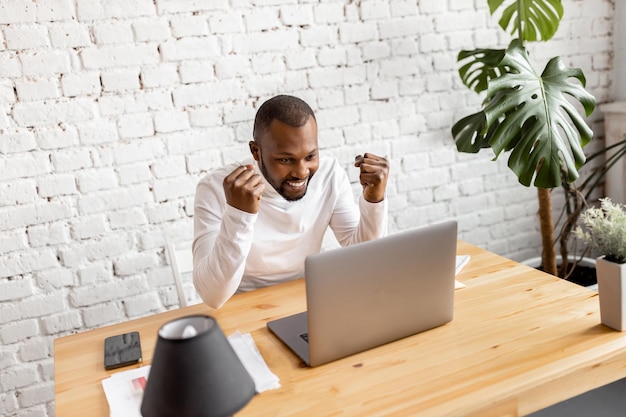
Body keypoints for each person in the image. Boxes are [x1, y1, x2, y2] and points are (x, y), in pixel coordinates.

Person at [192, 95, 390, 309]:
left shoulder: (329, 174)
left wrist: (374, 200)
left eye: (310, 156)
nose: (301, 172)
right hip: (240, 307)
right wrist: (239, 215)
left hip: (307, 301)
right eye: (285, 160)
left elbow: (364, 257)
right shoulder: (215, 187)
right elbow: (212, 296)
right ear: (256, 152)